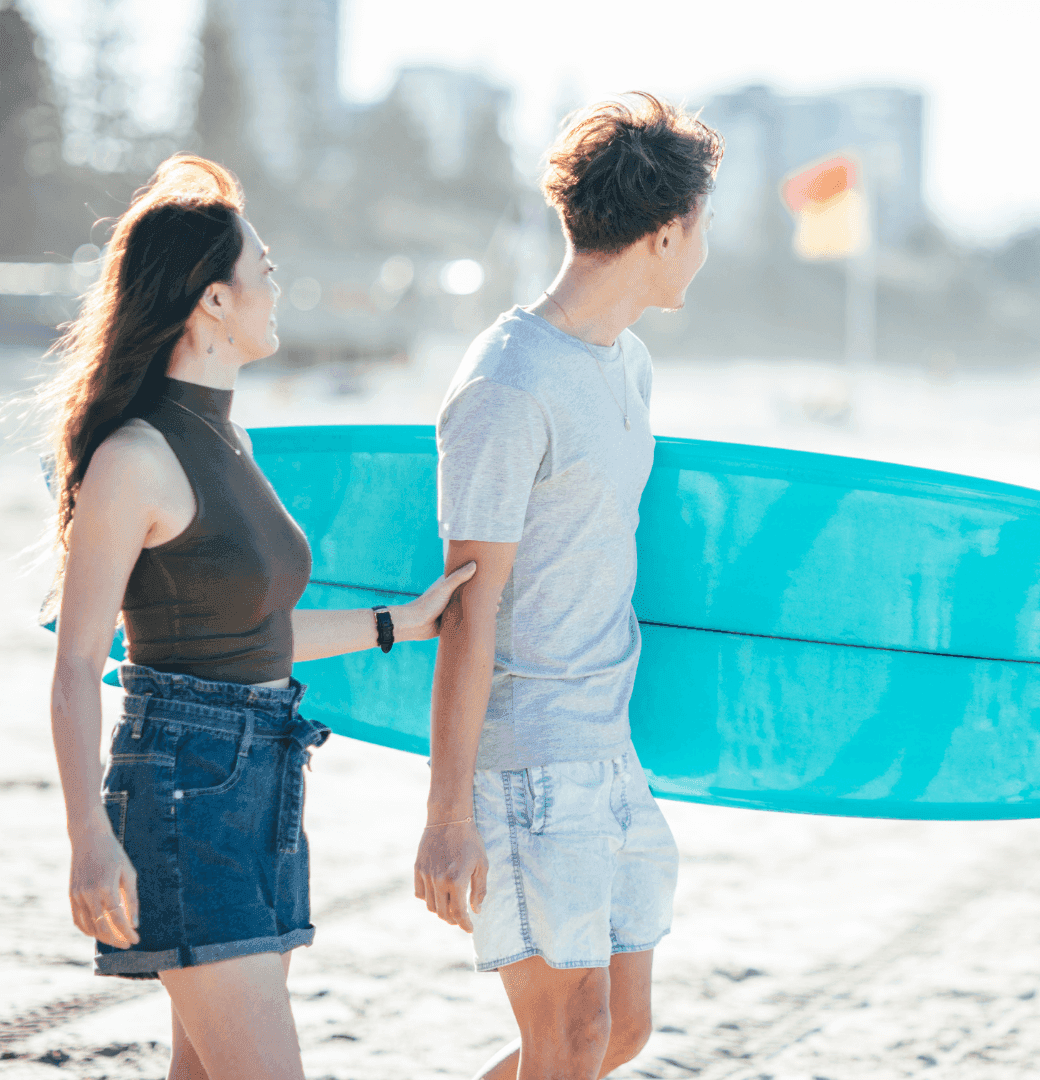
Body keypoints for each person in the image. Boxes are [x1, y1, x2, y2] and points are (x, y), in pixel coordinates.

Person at [43, 154, 474, 1079]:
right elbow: (81, 664)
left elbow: (256, 635)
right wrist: (88, 833)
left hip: (264, 775)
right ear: (211, 301)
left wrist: (404, 622)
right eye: (263, 269)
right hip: (184, 786)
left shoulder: (227, 439)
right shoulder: (135, 457)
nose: (278, 287)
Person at [413, 93, 722, 1080]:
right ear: (668, 232)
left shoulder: (625, 366)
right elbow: (468, 611)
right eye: (703, 228)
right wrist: (447, 818)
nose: (704, 250)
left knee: (616, 1035)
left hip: (610, 750)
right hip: (529, 764)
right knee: (568, 1041)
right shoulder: (509, 383)